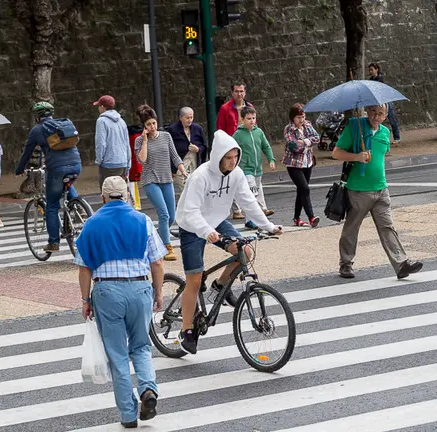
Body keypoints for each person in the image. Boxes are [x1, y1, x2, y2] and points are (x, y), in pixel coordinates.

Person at [175, 130, 283, 355]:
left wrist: (268, 226)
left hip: (216, 221)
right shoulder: (200, 176)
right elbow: (191, 210)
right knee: (194, 281)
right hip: (192, 226)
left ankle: (219, 286)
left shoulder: (237, 174)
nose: (233, 162)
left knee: (244, 251)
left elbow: (248, 202)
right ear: (218, 157)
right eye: (228, 158)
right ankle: (187, 331)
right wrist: (206, 231)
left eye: (236, 157)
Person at [75, 176, 165, 428]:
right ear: (126, 195)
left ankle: (128, 414)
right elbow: (157, 262)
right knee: (141, 346)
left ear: (102, 197)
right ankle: (148, 389)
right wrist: (158, 292)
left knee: (117, 354)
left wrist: (85, 300)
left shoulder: (91, 224)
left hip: (107, 291)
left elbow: (83, 269)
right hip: (139, 287)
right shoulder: (142, 220)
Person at [332, 104, 423, 280]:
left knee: (387, 226)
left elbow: (382, 155)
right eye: (373, 111)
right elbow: (336, 153)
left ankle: (401, 264)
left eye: (380, 113)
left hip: (381, 189)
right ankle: (345, 264)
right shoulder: (354, 128)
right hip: (358, 190)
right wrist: (357, 156)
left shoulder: (384, 132)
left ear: (386, 115)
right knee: (352, 228)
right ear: (367, 111)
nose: (376, 116)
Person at [15, 101, 82, 253]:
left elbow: (28, 152)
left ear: (37, 117)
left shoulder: (37, 130)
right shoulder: (64, 124)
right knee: (68, 183)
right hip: (76, 164)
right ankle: (77, 204)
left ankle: (53, 242)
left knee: (52, 206)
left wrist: (19, 169)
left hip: (57, 168)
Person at [135, 105, 185, 261]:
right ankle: (167, 248)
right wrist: (144, 140)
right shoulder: (139, 140)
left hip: (166, 178)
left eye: (154, 123)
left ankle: (155, 236)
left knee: (171, 216)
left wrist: (182, 169)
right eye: (148, 125)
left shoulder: (166, 136)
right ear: (144, 126)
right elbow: (141, 160)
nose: (152, 127)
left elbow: (174, 156)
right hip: (150, 180)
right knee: (163, 214)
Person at [232, 106, 276, 229]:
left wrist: (271, 159)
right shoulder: (238, 134)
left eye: (253, 118)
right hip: (246, 169)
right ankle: (252, 219)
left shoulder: (259, 132)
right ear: (242, 119)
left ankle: (254, 216)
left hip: (258, 169)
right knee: (252, 194)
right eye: (248, 118)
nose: (252, 121)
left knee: (255, 192)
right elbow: (232, 149)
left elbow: (266, 146)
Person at [216, 81, 253, 219]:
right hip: (231, 147)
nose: (239, 94)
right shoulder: (225, 108)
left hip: (246, 146)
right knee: (231, 176)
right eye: (237, 91)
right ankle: (236, 209)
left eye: (242, 91)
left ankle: (250, 207)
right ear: (232, 92)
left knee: (247, 177)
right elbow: (220, 128)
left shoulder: (249, 107)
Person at [282, 103, 320, 227]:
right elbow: (294, 147)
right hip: (294, 163)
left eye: (302, 117)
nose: (301, 120)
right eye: (298, 117)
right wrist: (307, 143)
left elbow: (317, 138)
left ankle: (296, 218)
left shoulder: (307, 125)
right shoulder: (288, 129)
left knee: (301, 190)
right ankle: (311, 217)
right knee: (305, 188)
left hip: (307, 162)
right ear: (293, 118)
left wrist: (304, 141)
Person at [93, 95, 131, 187]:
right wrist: (128, 164)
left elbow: (101, 143)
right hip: (123, 162)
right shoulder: (121, 121)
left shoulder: (101, 121)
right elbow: (127, 144)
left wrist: (99, 160)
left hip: (108, 163)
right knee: (121, 193)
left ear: (102, 107)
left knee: (107, 193)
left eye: (98, 106)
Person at [167, 107, 206, 192]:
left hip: (195, 160)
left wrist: (198, 149)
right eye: (187, 118)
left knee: (195, 181)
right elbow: (169, 148)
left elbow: (204, 146)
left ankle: (192, 201)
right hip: (180, 161)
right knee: (183, 183)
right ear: (181, 117)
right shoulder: (173, 129)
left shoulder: (197, 128)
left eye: (191, 117)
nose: (190, 120)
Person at [367, 63, 401, 144]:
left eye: (372, 69)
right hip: (378, 102)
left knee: (392, 119)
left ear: (376, 70)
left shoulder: (380, 79)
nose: (370, 71)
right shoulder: (371, 79)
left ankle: (397, 137)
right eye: (369, 70)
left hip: (386, 101)